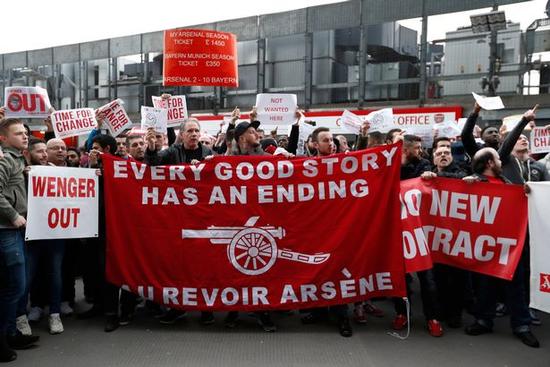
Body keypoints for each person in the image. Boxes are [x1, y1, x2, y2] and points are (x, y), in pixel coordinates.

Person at [144, 119, 215, 326]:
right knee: (179, 266)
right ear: (181, 135)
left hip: (203, 218)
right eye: (190, 131)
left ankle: (206, 309)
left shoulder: (209, 153)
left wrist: (208, 165)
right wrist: (150, 148)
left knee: (204, 266)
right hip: (178, 217)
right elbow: (152, 164)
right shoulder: (172, 152)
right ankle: (178, 308)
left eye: (197, 131)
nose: (194, 134)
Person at [300, 127, 353, 337]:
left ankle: (342, 316)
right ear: (314, 144)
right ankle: (319, 311)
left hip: (338, 228)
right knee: (317, 270)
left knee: (337, 272)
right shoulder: (304, 166)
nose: (330, 143)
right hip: (315, 229)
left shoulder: (345, 164)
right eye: (325, 140)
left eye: (332, 140)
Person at [393, 134, 443, 337]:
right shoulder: (392, 165)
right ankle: (401, 314)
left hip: (419, 232)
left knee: (428, 280)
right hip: (397, 230)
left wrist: (430, 177)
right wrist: (398, 164)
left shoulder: (424, 165)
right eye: (417, 148)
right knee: (400, 279)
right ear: (406, 150)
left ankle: (432, 317)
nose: (421, 151)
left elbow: (429, 185)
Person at [0, 118, 39, 362]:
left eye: (25, 133)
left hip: (12, 230)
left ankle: (11, 333)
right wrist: (14, 216)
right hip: (6, 229)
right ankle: (2, 338)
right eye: (18, 133)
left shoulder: (16, 159)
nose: (25, 136)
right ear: (3, 138)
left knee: (15, 286)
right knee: (13, 286)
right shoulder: (5, 160)